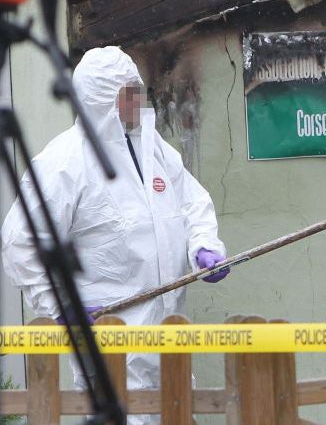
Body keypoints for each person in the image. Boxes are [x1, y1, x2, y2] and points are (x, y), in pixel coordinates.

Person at [1, 46, 229, 424]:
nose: (137, 100)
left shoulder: (150, 148)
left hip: (168, 334)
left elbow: (191, 201)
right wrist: (63, 307)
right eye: (127, 93)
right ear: (100, 98)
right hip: (109, 343)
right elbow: (21, 241)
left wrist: (204, 244)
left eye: (136, 89)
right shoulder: (65, 162)